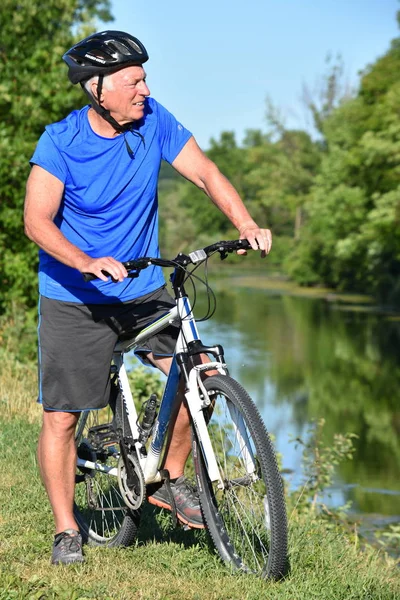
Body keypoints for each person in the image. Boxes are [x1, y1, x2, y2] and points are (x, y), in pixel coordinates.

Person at [24, 30, 272, 565]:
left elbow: (204, 172)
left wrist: (245, 221)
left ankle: (172, 477)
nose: (144, 88)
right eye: (133, 80)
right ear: (97, 88)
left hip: (142, 288)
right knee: (64, 417)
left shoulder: (155, 120)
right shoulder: (60, 142)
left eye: (144, 78)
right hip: (75, 295)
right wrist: (85, 260)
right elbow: (36, 222)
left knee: (198, 372)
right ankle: (68, 529)